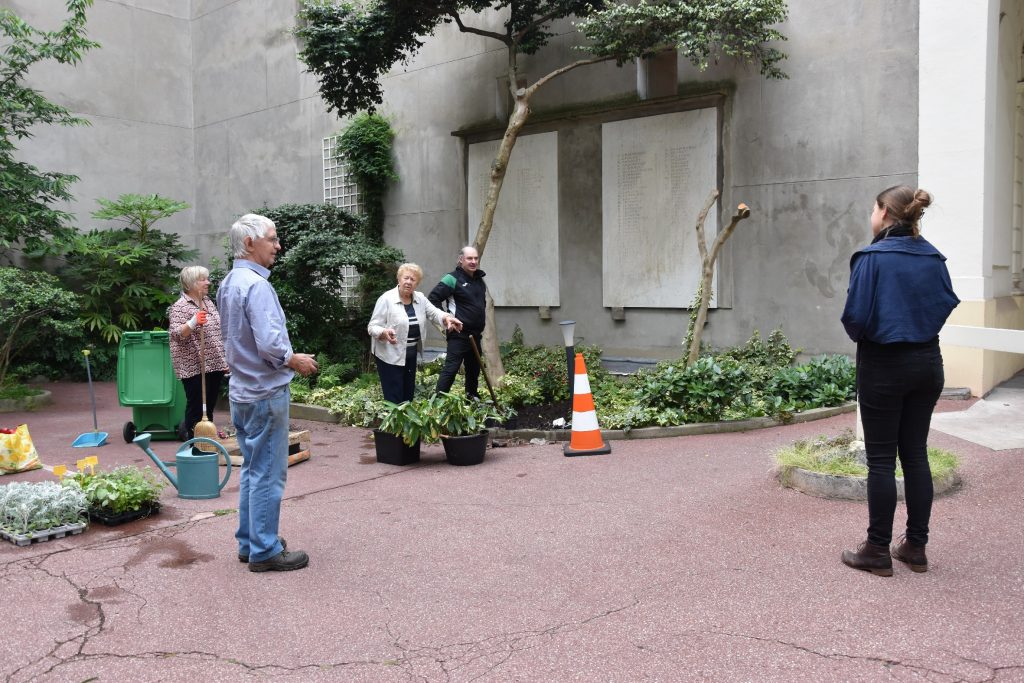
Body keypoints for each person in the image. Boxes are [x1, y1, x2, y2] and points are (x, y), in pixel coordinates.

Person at [840, 185, 959, 577]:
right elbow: (945, 303)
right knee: (916, 454)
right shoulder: (933, 257)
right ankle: (915, 546)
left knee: (879, 462)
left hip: (883, 365)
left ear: (885, 213)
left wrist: (883, 333)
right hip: (928, 363)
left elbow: (854, 319)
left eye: (872, 209)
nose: (870, 216)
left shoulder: (871, 258)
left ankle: (876, 550)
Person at [217, 213, 318, 573]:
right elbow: (270, 345)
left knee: (252, 469)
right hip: (264, 392)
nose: (278, 246)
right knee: (268, 473)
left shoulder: (229, 282)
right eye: (272, 239)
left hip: (242, 391)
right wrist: (295, 360)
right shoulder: (256, 286)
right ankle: (264, 550)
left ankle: (250, 541)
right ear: (250, 243)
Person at [368, 263, 462, 403]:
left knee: (408, 396)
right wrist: (384, 332)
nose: (409, 282)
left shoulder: (420, 298)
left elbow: (434, 313)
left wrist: (447, 318)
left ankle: (404, 423)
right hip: (390, 356)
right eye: (406, 278)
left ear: (417, 283)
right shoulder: (386, 299)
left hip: (410, 355)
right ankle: (394, 424)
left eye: (413, 280)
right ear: (399, 279)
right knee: (394, 397)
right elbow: (372, 327)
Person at [168, 266, 228, 441]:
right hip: (194, 365)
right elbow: (176, 334)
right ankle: (194, 444)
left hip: (214, 363)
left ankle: (206, 441)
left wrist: (224, 360)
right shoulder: (180, 307)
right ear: (191, 283)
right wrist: (193, 322)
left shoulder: (208, 302)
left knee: (208, 407)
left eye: (207, 279)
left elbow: (217, 331)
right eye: (203, 279)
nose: (208, 282)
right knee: (196, 407)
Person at [428, 246, 487, 398]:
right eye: (469, 258)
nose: (473, 261)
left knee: (474, 369)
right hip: (459, 334)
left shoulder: (479, 280)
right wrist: (446, 319)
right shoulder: (451, 278)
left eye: (475, 258)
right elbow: (432, 299)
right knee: (451, 369)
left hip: (475, 335)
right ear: (461, 260)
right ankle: (439, 403)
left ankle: (471, 398)